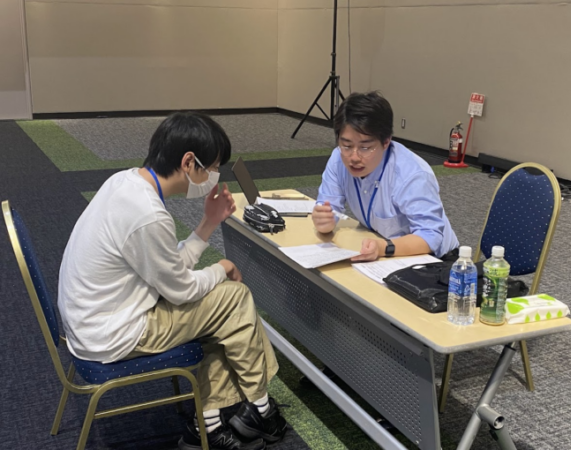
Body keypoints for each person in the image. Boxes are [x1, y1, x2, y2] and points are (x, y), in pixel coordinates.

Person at [57, 112, 286, 450]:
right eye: (212, 168)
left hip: (91, 319)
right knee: (234, 299)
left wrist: (208, 223)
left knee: (224, 313)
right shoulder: (148, 214)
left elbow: (163, 268)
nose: (214, 176)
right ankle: (258, 409)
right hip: (112, 333)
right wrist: (222, 267)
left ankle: (214, 421)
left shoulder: (124, 182)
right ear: (189, 162)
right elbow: (181, 290)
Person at [313, 91, 459, 261]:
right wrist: (324, 221)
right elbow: (328, 208)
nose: (354, 157)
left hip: (435, 260)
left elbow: (430, 236)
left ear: (386, 142)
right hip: (381, 247)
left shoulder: (412, 174)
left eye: (365, 148)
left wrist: (383, 247)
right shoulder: (338, 159)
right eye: (346, 145)